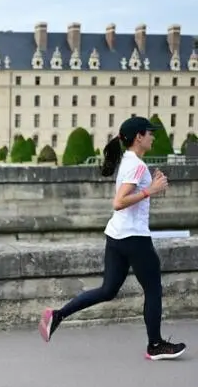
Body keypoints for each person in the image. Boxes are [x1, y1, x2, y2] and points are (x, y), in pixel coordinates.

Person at [38, 115, 186, 361]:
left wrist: (152, 187)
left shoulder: (130, 161)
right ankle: (155, 345)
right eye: (150, 133)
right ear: (139, 136)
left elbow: (129, 197)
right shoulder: (136, 165)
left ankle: (58, 315)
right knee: (153, 290)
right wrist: (151, 189)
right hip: (134, 238)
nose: (153, 136)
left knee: (108, 290)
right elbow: (119, 202)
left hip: (116, 236)